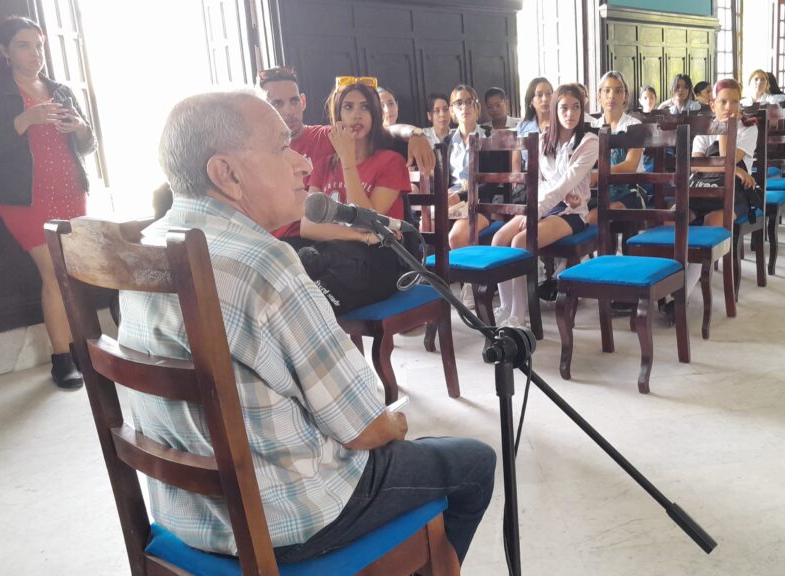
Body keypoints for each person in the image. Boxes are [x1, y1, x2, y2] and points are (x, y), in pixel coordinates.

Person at [123, 90, 495, 564]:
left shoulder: (146, 247)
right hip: (288, 521)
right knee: (473, 462)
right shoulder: (263, 262)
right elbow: (363, 426)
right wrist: (393, 424)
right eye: (283, 147)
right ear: (226, 173)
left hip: (186, 517)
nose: (302, 163)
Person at [0, 16, 96, 390]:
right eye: (23, 46)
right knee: (53, 272)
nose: (34, 54)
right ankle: (61, 359)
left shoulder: (60, 90)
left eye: (38, 45)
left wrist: (78, 128)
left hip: (70, 189)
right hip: (24, 199)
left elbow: (88, 144)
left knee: (72, 272)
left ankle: (82, 351)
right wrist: (25, 119)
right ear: (4, 51)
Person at [259, 68, 435, 238]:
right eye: (277, 103)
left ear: (303, 101)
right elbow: (309, 225)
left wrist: (415, 133)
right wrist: (359, 236)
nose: (288, 111)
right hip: (303, 244)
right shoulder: (254, 151)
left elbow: (385, 131)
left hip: (352, 252)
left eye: (294, 101)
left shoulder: (329, 137)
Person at [492, 84, 596, 328]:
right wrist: (534, 209)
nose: (570, 113)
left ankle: (520, 314)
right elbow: (537, 182)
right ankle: (506, 306)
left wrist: (535, 212)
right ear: (554, 110)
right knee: (499, 239)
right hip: (544, 205)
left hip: (572, 213)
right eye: (564, 108)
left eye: (576, 107)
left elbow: (564, 184)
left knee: (520, 242)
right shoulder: (543, 140)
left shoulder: (588, 142)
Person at [684, 78, 759, 296]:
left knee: (710, 223)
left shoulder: (748, 130)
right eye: (723, 102)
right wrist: (734, 169)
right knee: (674, 218)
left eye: (734, 102)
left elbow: (726, 159)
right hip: (702, 190)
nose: (729, 107)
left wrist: (726, 129)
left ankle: (681, 297)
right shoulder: (703, 132)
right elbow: (696, 166)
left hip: (735, 195)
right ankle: (667, 284)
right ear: (712, 104)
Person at [587, 70, 646, 225]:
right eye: (606, 91)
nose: (611, 96)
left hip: (630, 190)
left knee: (595, 217)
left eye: (618, 91)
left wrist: (598, 175)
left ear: (625, 96)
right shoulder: (593, 127)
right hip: (598, 191)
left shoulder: (634, 126)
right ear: (599, 95)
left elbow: (630, 165)